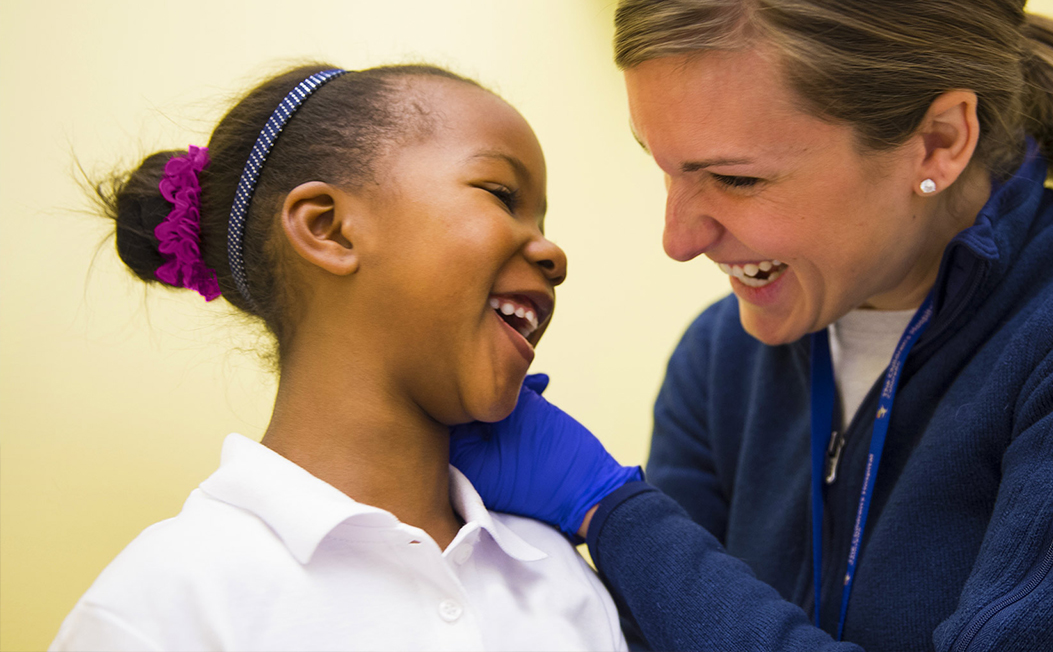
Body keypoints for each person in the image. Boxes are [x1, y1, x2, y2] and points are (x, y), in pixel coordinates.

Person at [448, 0, 1053, 651]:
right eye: (661, 165)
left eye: (736, 179)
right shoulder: (720, 368)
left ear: (940, 142)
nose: (679, 239)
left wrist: (615, 513)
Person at [52, 63, 632, 651]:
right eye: (501, 195)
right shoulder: (159, 610)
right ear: (327, 229)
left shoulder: (557, 577)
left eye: (541, 219)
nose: (553, 253)